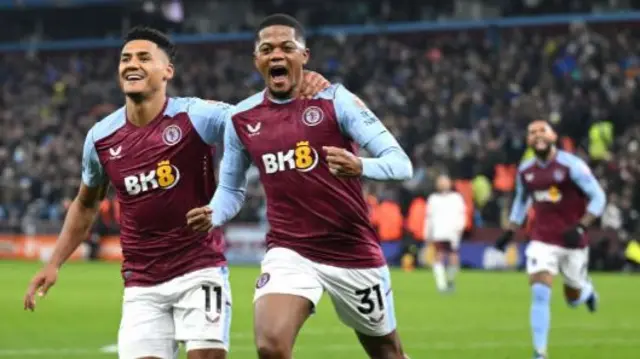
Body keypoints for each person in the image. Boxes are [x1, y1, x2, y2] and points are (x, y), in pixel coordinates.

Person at [22, 26, 329, 359]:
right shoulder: (101, 138)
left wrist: (295, 88)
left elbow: (256, 120)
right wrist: (54, 263)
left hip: (199, 271)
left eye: (143, 57)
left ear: (167, 71)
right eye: (125, 58)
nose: (131, 64)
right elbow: (85, 204)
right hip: (141, 284)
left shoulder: (196, 115)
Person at [186, 13, 413, 359]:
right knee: (270, 345)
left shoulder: (336, 100)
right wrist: (212, 212)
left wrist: (360, 165)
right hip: (290, 251)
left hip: (352, 251)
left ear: (304, 57)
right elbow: (231, 190)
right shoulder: (241, 119)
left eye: (287, 47)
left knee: (387, 354)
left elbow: (401, 164)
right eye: (267, 49)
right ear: (257, 61)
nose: (276, 55)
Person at [494, 120, 606, 359]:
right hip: (542, 239)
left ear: (554, 135)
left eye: (542, 130)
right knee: (540, 292)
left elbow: (598, 197)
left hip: (572, 240)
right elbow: (521, 201)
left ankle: (587, 292)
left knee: (572, 298)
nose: (537, 135)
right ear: (528, 140)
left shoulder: (571, 165)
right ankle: (540, 352)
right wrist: (510, 230)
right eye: (531, 132)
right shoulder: (525, 170)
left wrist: (581, 226)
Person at [425, 174, 466, 292]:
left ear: (450, 183)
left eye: (445, 181)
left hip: (452, 232)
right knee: (439, 256)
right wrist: (427, 233)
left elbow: (461, 214)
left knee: (454, 258)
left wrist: (460, 228)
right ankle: (441, 284)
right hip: (438, 232)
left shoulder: (456, 198)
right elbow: (429, 217)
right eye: (440, 182)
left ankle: (451, 280)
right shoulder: (433, 198)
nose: (443, 184)